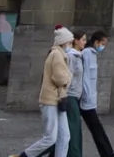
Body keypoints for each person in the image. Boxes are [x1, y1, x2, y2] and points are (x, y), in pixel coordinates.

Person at [9, 26, 73, 157]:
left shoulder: (58, 54)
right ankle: (23, 156)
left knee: (64, 136)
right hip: (51, 100)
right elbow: (60, 79)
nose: (71, 45)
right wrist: (69, 77)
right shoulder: (57, 54)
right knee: (50, 138)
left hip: (58, 99)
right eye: (70, 42)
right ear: (64, 42)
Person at [79, 31, 114, 157]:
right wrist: (87, 96)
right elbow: (85, 77)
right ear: (96, 42)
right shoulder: (87, 53)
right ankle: (107, 153)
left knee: (96, 126)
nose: (103, 46)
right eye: (102, 43)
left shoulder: (93, 54)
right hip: (85, 99)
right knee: (95, 126)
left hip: (88, 98)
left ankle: (107, 152)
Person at [64, 30, 86, 157]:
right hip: (70, 96)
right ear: (76, 41)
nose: (84, 42)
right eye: (83, 39)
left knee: (74, 128)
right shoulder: (72, 56)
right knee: (73, 128)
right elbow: (68, 76)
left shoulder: (79, 56)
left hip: (76, 96)